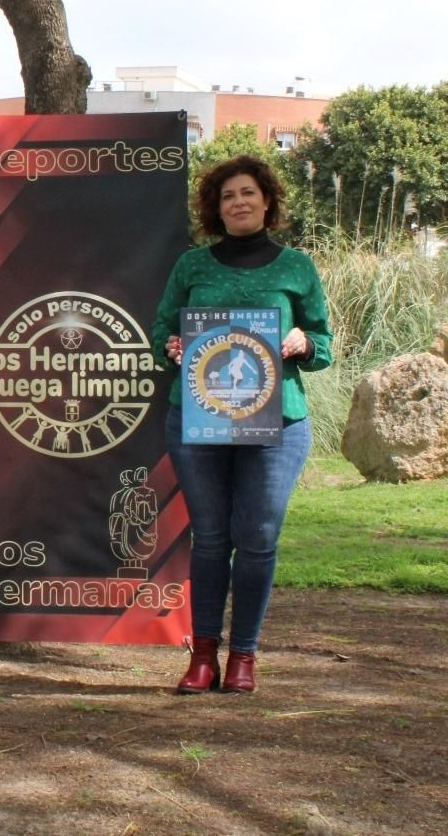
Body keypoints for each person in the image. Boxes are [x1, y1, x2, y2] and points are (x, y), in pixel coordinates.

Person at [151, 155, 332, 694]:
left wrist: (302, 343)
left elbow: (323, 345)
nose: (239, 202)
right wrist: (173, 346)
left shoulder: (296, 267)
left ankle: (244, 656)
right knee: (209, 539)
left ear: (267, 200)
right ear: (217, 207)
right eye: (228, 195)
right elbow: (163, 330)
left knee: (257, 538)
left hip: (278, 422)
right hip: (198, 418)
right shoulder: (192, 267)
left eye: (248, 193)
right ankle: (202, 655)